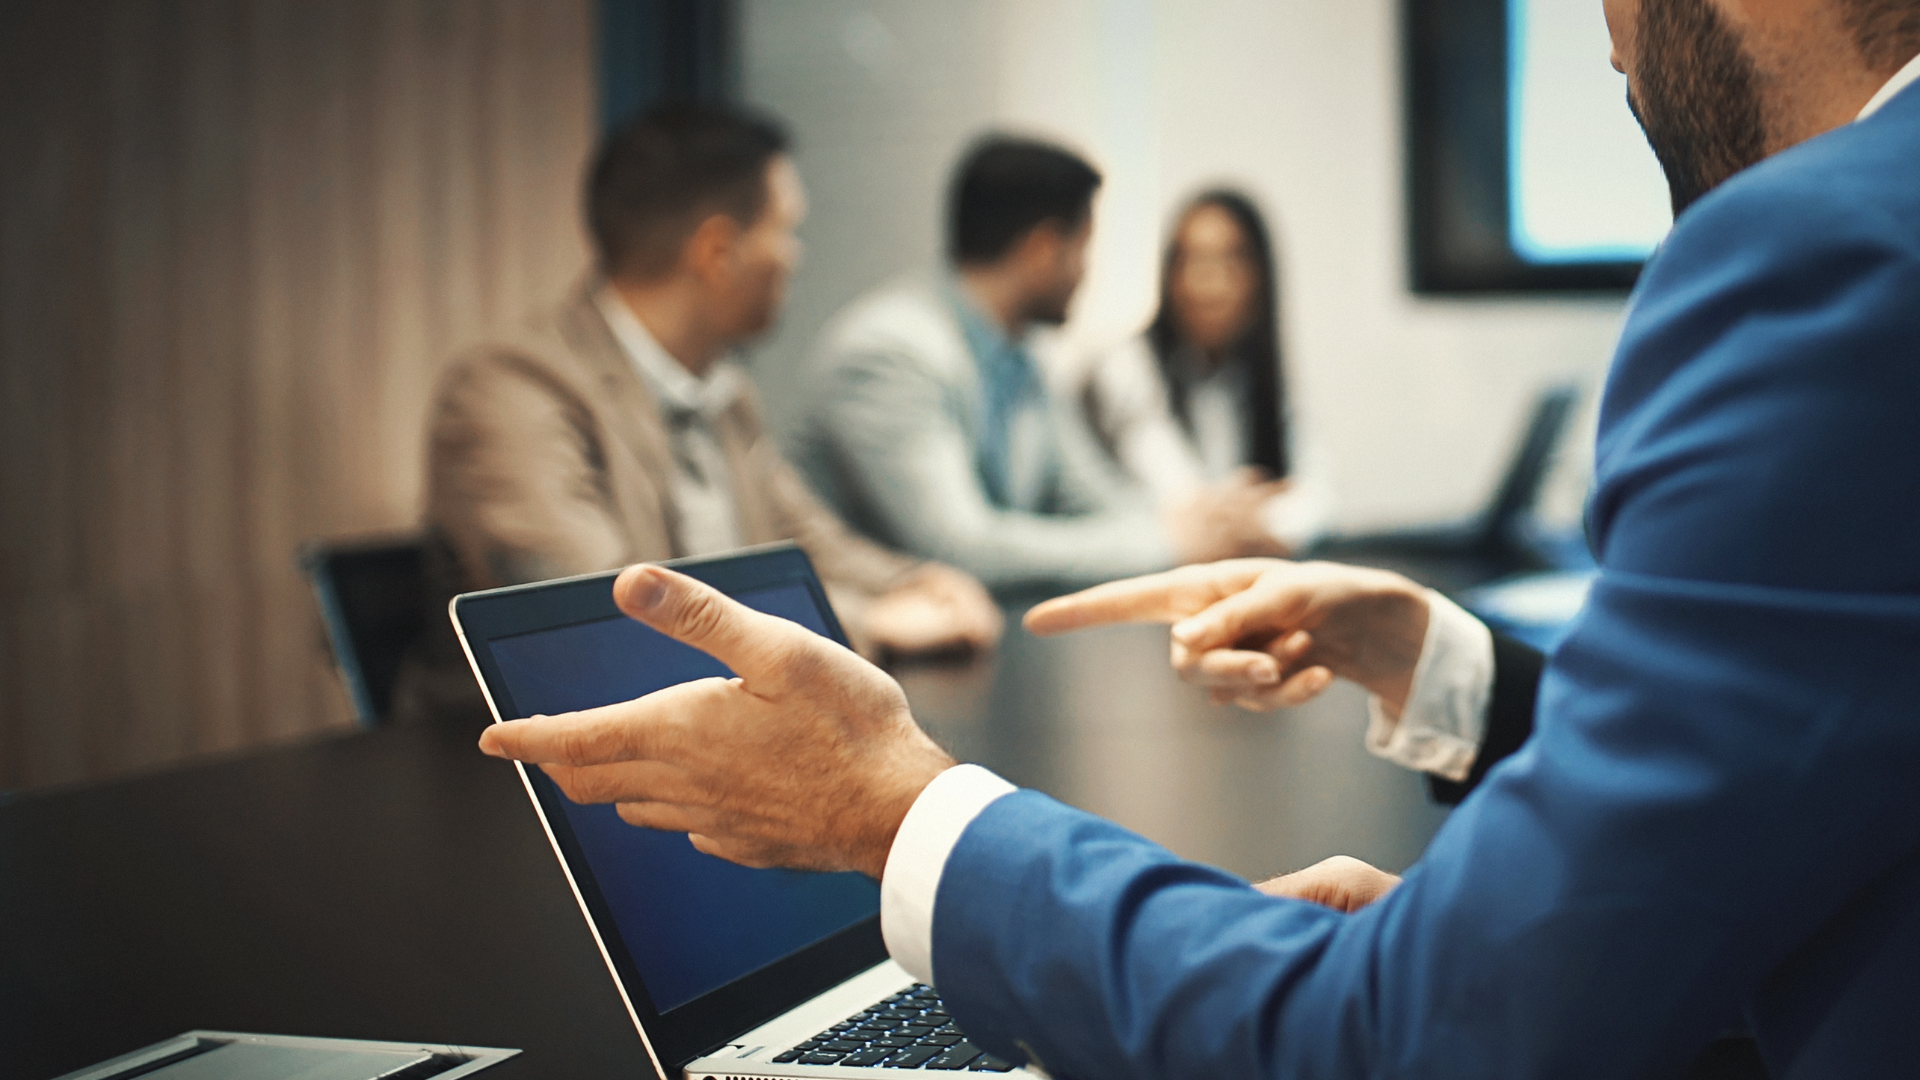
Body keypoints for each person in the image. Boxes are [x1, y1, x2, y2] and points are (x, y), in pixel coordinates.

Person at [475, 1, 1920, 1077]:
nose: (1608, 46)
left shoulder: (1833, 250)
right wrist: (1443, 673)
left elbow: (1432, 1032)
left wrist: (893, 810)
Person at [398, 103, 1001, 723]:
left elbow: (809, 542)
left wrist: (919, 584)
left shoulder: (723, 392)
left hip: (702, 742)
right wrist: (872, 621)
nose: (796, 255)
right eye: (786, 229)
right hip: (528, 778)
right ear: (717, 250)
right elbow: (599, 618)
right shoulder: (511, 388)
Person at [790, 137, 1289, 592]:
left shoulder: (1020, 356)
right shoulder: (890, 353)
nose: (1086, 270)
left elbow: (1089, 496)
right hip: (863, 659)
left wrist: (1201, 521)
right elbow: (959, 548)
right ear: (1042, 248)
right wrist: (1168, 543)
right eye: (1085, 246)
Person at [1080, 189, 1333, 553]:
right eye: (1190, 261)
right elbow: (1177, 495)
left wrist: (1271, 524)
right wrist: (1253, 507)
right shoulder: (1125, 366)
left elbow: (1319, 494)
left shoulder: (1261, 373)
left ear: (1260, 277)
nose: (1207, 285)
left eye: (1229, 262)